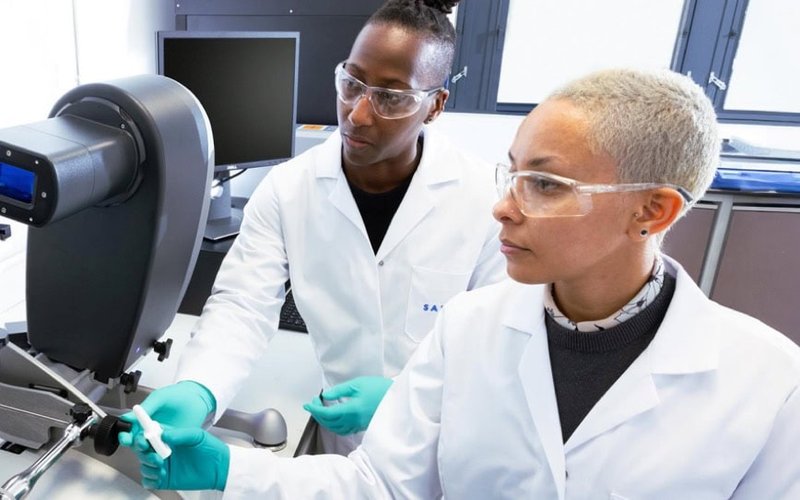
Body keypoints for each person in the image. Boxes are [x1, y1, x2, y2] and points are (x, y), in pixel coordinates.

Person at [128, 67, 800, 498]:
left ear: (653, 211)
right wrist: (229, 469)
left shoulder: (771, 388)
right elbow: (380, 487)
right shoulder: (471, 328)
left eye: (545, 184)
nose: (503, 206)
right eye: (513, 173)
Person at [119, 0, 504, 459]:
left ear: (435, 105)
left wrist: (411, 400)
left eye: (390, 97)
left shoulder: (486, 199)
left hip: (444, 445)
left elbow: (498, 347)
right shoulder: (288, 189)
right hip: (342, 444)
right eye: (351, 84)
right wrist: (199, 389)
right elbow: (243, 305)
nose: (357, 114)